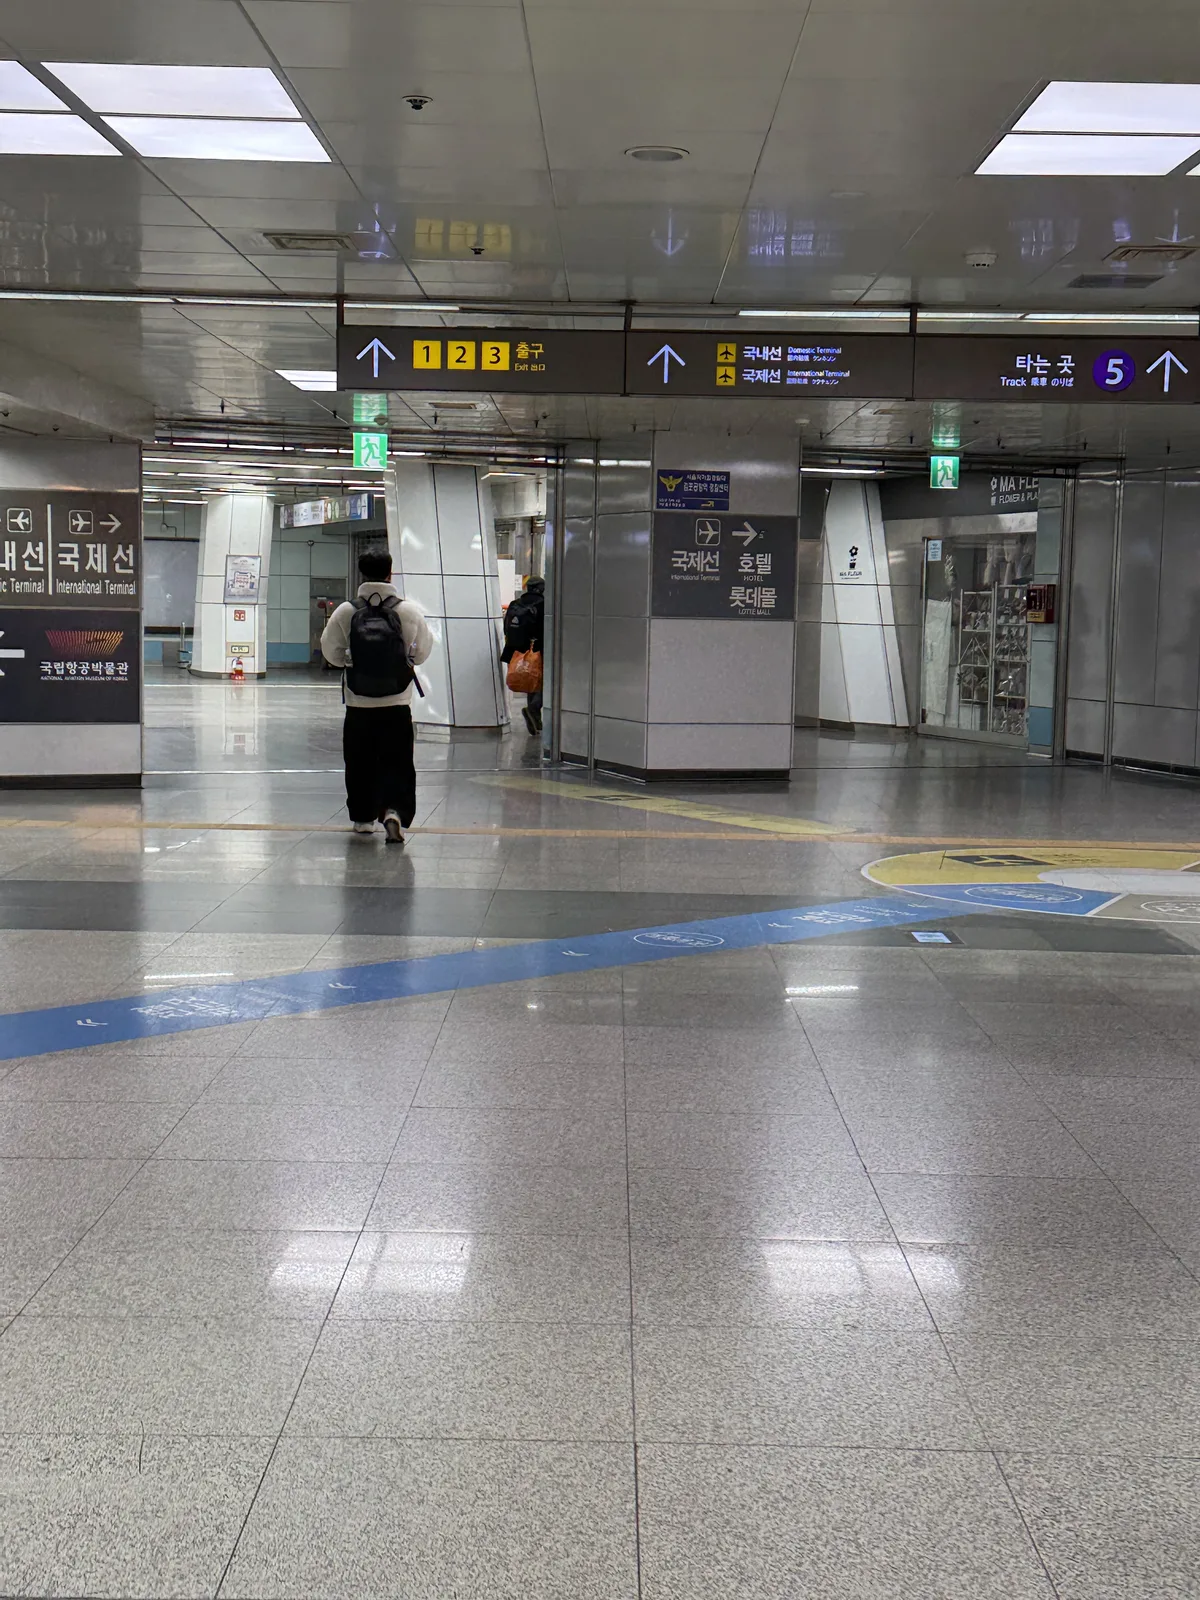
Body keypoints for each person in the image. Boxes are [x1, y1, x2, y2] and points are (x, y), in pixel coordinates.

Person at [320, 547, 433, 843]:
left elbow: (330, 651)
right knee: (398, 761)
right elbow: (421, 653)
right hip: (397, 703)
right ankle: (395, 811)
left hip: (358, 703)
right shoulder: (408, 611)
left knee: (359, 761)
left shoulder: (347, 611)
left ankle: (363, 818)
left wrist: (349, 658)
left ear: (362, 573)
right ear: (390, 572)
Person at [501, 574, 545, 736]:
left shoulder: (515, 604)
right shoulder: (544, 605)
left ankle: (536, 722)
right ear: (541, 588)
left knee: (530, 681)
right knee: (546, 683)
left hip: (516, 650)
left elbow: (506, 628)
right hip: (537, 649)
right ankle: (533, 709)